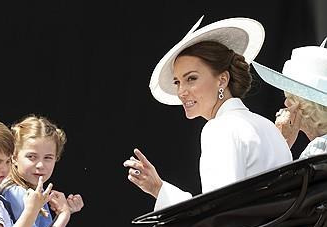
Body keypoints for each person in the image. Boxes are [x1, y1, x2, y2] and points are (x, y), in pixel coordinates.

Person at [123, 16, 292, 211]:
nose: (181, 92)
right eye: (177, 82)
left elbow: (217, 216)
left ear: (222, 80)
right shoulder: (268, 126)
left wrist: (161, 190)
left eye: (191, 78)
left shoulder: (219, 128)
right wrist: (159, 189)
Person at [0, 115, 84, 227]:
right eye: (31, 157)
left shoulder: (34, 190)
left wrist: (62, 212)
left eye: (48, 158)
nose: (40, 165)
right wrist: (64, 215)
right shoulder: (18, 193)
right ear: (14, 157)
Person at [252, 38, 327, 158]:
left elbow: (275, 177)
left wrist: (280, 143)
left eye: (292, 97)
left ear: (310, 107)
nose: (286, 103)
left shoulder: (319, 150)